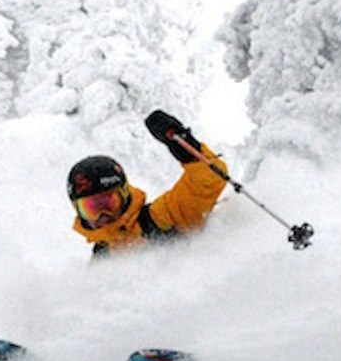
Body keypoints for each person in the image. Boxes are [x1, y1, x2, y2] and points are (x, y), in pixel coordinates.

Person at [67, 110, 228, 257]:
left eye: (109, 203)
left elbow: (208, 182)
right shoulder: (102, 256)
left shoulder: (160, 219)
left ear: (124, 195)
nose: (103, 216)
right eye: (91, 208)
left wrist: (184, 146)